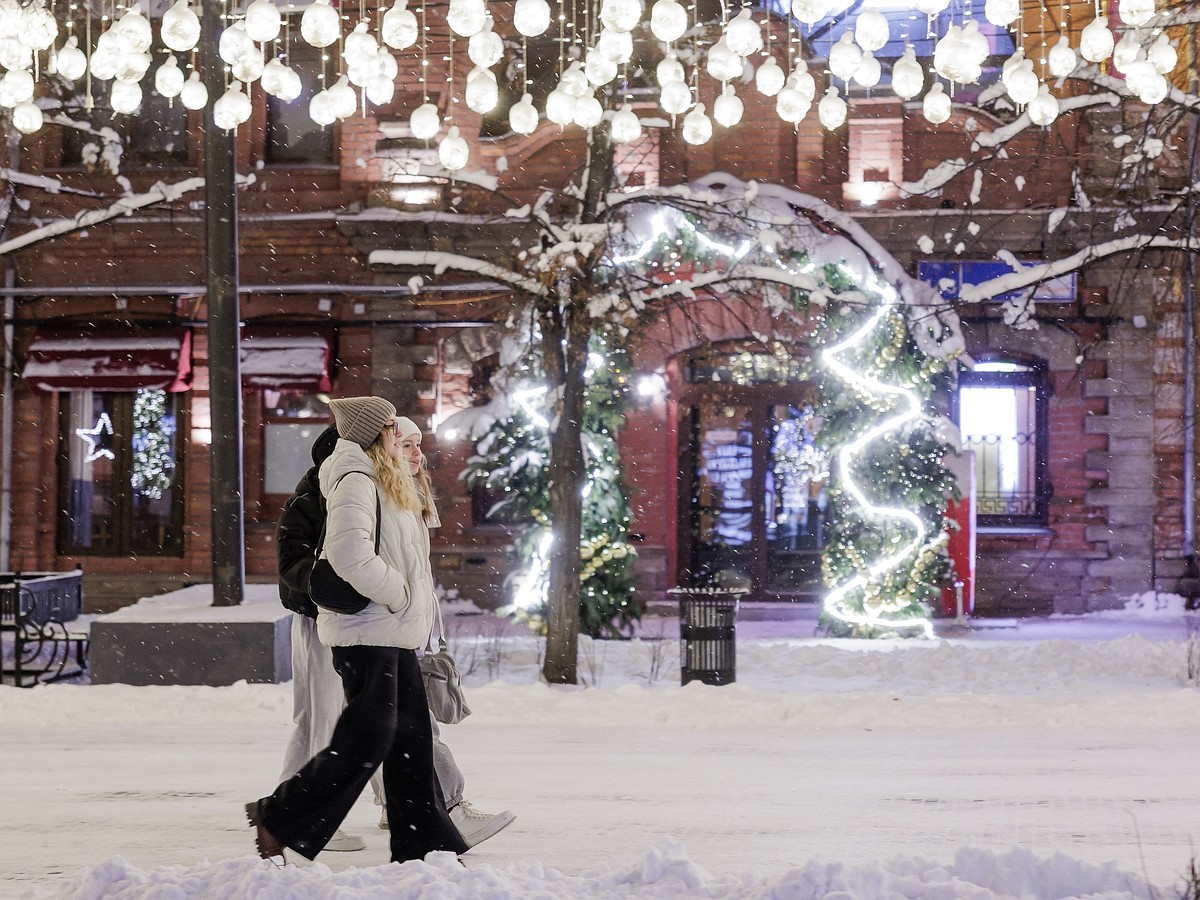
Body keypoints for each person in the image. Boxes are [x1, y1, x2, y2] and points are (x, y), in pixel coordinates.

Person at [246, 396, 468, 864]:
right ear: (372, 434)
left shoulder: (381, 477)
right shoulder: (354, 478)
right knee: (367, 737)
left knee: (410, 737)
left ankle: (425, 845)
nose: (397, 434)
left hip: (391, 629)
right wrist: (399, 594)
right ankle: (279, 816)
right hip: (366, 627)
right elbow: (349, 557)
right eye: (389, 427)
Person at [382, 415, 516, 846]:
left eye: (420, 445)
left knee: (390, 729)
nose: (418, 454)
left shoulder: (407, 496)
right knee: (415, 726)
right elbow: (390, 572)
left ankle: (395, 805)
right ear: (386, 448)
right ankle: (454, 808)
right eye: (407, 445)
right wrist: (408, 616)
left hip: (411, 630)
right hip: (395, 630)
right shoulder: (384, 500)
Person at [274, 423, 368, 853]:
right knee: (321, 717)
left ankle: (284, 806)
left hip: (343, 619)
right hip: (318, 621)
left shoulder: (340, 496)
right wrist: (330, 589)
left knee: (332, 717)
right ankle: (309, 817)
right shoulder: (312, 500)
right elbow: (293, 563)